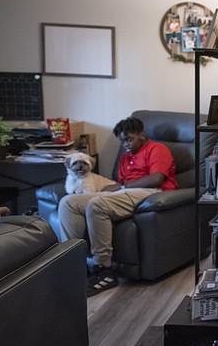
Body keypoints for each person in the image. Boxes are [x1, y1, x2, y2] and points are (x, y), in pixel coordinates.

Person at [59, 116, 177, 296]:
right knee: (68, 202)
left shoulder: (157, 149)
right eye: (122, 141)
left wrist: (121, 187)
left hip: (153, 192)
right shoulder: (125, 159)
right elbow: (120, 184)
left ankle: (103, 268)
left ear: (142, 135)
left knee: (97, 204)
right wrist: (116, 187)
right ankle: (75, 265)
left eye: (129, 139)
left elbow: (156, 179)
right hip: (124, 193)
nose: (125, 144)